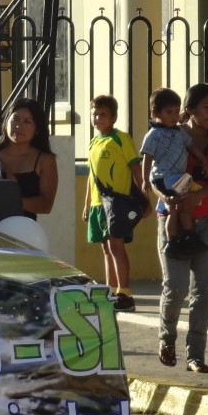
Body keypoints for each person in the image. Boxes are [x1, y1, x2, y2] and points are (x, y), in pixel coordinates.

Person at [155, 83, 208, 373]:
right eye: (206, 107)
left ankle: (195, 355)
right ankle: (167, 339)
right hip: (172, 219)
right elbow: (153, 175)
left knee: (203, 290)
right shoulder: (170, 134)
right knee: (174, 286)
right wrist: (169, 199)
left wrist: (199, 196)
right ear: (190, 110)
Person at [82, 94, 145, 313]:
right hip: (99, 205)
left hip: (117, 204)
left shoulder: (121, 139)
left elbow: (136, 168)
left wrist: (145, 197)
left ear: (113, 118)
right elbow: (92, 176)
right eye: (95, 114)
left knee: (117, 245)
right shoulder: (93, 142)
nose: (98, 118)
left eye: (103, 114)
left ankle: (124, 293)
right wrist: (87, 204)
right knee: (106, 248)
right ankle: (109, 292)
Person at [140, 87, 208, 259]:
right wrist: (145, 180)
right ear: (156, 113)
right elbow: (147, 158)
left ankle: (187, 235)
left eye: (176, 112)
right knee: (173, 209)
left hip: (181, 178)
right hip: (164, 178)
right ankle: (172, 241)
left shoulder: (180, 132)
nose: (174, 116)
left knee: (185, 208)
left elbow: (191, 146)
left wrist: (203, 159)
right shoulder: (154, 134)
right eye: (169, 112)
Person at [0, 97, 57, 219]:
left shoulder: (45, 160)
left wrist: (10, 201)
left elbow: (46, 205)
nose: (18, 126)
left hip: (24, 230)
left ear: (37, 129)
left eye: (27, 121)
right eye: (15, 119)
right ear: (7, 121)